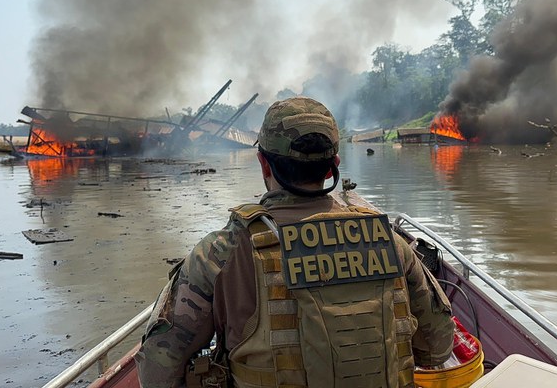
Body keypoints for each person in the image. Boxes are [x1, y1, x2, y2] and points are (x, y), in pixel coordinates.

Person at [135, 96, 454, 388]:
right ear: (335, 165)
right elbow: (438, 347)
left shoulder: (221, 254)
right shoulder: (390, 242)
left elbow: (156, 373)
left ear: (263, 163)